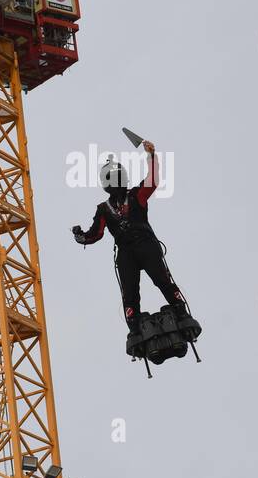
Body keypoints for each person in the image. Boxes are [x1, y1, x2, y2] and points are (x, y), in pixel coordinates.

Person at [72, 141, 186, 336]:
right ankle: (138, 321)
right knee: (132, 291)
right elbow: (95, 234)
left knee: (158, 281)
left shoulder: (133, 196)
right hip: (131, 251)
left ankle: (174, 309)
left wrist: (152, 157)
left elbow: (94, 235)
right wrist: (80, 236)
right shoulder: (110, 206)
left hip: (142, 246)